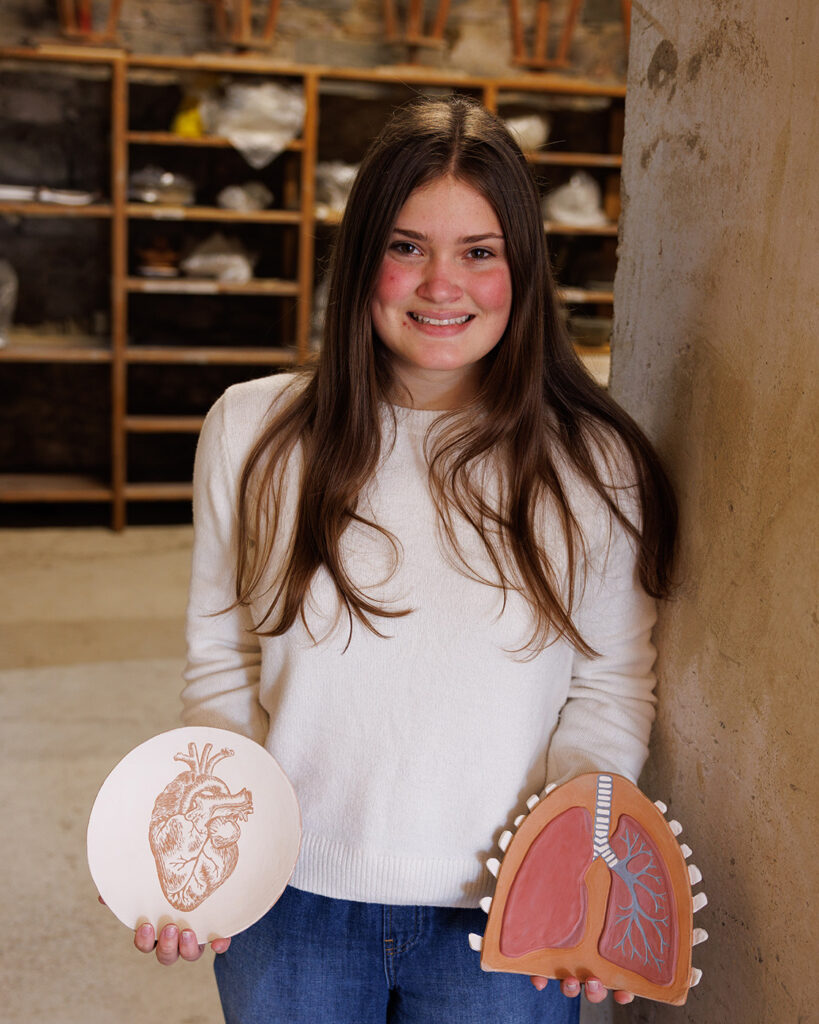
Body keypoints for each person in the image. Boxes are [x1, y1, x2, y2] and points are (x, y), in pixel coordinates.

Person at [132, 95, 677, 1023]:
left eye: (478, 251)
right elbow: (223, 664)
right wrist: (197, 861)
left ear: (522, 269)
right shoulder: (251, 430)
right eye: (405, 246)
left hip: (505, 918)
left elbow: (609, 686)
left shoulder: (593, 462)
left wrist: (580, 868)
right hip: (286, 898)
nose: (440, 285)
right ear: (360, 262)